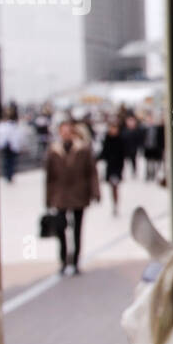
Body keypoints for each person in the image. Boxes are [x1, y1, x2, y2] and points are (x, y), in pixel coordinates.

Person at [44, 120, 100, 276]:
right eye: (63, 131)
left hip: (78, 193)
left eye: (68, 131)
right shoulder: (54, 150)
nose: (66, 134)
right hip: (60, 195)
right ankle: (63, 260)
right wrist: (48, 199)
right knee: (61, 228)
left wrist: (95, 192)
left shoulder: (83, 149)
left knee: (77, 229)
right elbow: (49, 177)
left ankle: (75, 261)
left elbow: (91, 172)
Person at [99, 118, 128, 217]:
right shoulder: (107, 139)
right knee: (112, 187)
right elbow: (104, 153)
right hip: (110, 167)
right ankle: (114, 204)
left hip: (117, 167)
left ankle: (116, 204)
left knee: (115, 187)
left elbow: (123, 154)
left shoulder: (120, 140)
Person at [0, 109, 22, 182]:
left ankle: (9, 175)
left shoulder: (11, 126)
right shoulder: (4, 126)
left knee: (9, 161)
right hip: (7, 145)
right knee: (8, 161)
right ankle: (8, 175)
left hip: (10, 145)